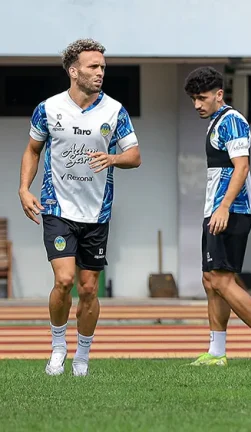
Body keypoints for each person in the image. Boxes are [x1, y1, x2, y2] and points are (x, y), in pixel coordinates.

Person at [18, 39, 142, 376]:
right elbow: (33, 150)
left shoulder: (114, 111)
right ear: (74, 71)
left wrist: (114, 157)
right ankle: (58, 346)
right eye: (93, 67)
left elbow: (135, 156)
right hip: (58, 208)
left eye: (102, 67)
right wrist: (23, 189)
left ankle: (83, 355)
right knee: (65, 281)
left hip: (97, 213)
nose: (100, 72)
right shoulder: (49, 108)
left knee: (88, 288)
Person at [184, 66, 251, 367]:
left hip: (230, 212)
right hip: (217, 211)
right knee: (210, 280)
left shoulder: (232, 121)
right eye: (193, 99)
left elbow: (242, 167)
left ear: (219, 94)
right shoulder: (217, 121)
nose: (197, 105)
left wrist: (225, 206)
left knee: (222, 279)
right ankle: (217, 352)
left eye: (202, 98)